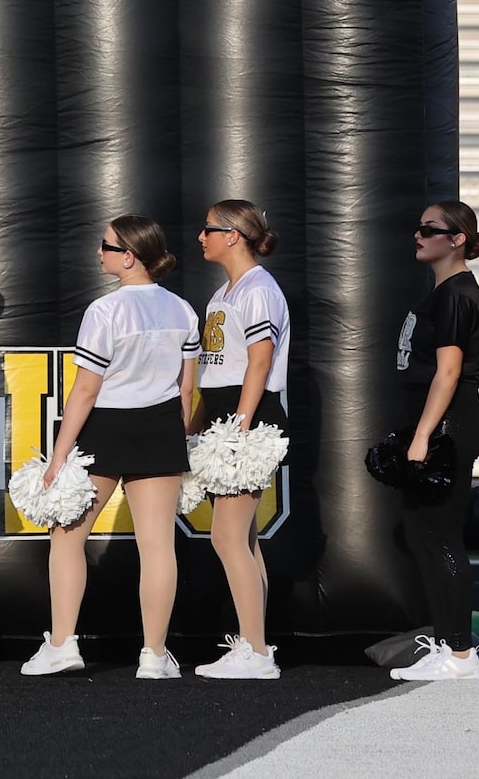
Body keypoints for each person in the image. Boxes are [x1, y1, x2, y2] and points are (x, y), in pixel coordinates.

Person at [25, 214, 202, 679]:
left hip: (105, 427)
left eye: (105, 246)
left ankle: (63, 645)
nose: (98, 253)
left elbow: (85, 391)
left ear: (128, 256)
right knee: (158, 546)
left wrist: (59, 453)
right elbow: (186, 391)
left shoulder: (104, 312)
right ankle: (153, 656)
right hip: (161, 427)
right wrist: (176, 436)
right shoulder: (183, 310)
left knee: (66, 538)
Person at [383, 202, 479, 682]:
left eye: (431, 229)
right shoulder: (444, 292)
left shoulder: (456, 294)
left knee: (441, 536)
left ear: (457, 239)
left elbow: (449, 373)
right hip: (436, 423)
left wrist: (424, 435)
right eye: (418, 226)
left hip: (449, 424)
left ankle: (463, 655)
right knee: (421, 534)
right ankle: (449, 642)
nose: (419, 235)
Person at [190, 198, 288, 678]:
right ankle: (255, 644)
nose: (200, 237)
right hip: (225, 412)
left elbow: (260, 360)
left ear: (233, 235)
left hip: (247, 415)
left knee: (227, 535)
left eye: (208, 229)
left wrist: (240, 426)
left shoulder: (258, 290)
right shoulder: (223, 294)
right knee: (243, 538)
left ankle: (256, 651)